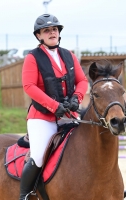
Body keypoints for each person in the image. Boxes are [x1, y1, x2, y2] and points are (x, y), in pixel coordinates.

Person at [19, 13, 88, 199]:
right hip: (42, 117)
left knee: (89, 147)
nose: (52, 33)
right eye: (47, 30)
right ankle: (24, 194)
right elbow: (29, 86)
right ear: (38, 36)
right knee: (39, 155)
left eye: (55, 29)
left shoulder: (69, 55)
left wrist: (76, 98)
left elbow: (82, 80)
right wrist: (53, 105)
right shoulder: (33, 57)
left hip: (69, 114)